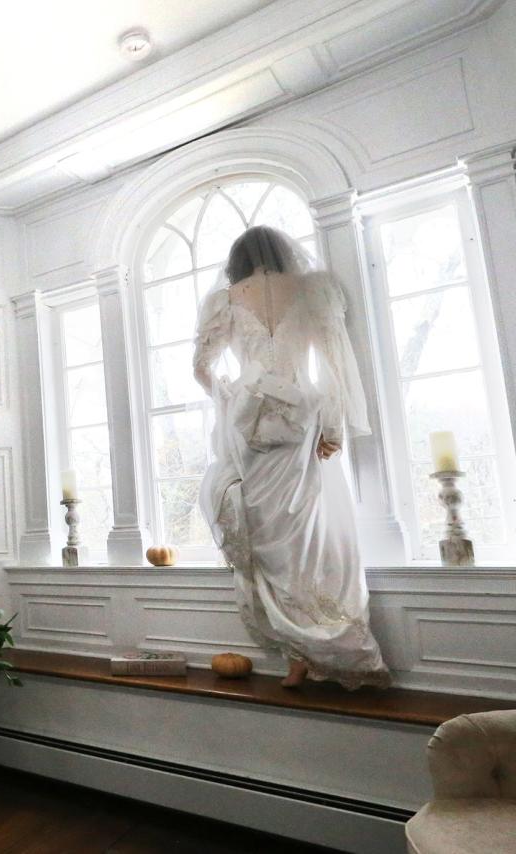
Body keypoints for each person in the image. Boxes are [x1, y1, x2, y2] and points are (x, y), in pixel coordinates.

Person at [192, 226, 390, 690]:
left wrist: (231, 395)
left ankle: (298, 655)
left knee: (266, 539)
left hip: (250, 423)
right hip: (302, 422)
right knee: (311, 540)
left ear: (236, 261)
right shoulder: (311, 290)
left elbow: (202, 368)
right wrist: (333, 426)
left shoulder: (225, 299)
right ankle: (315, 650)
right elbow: (335, 365)